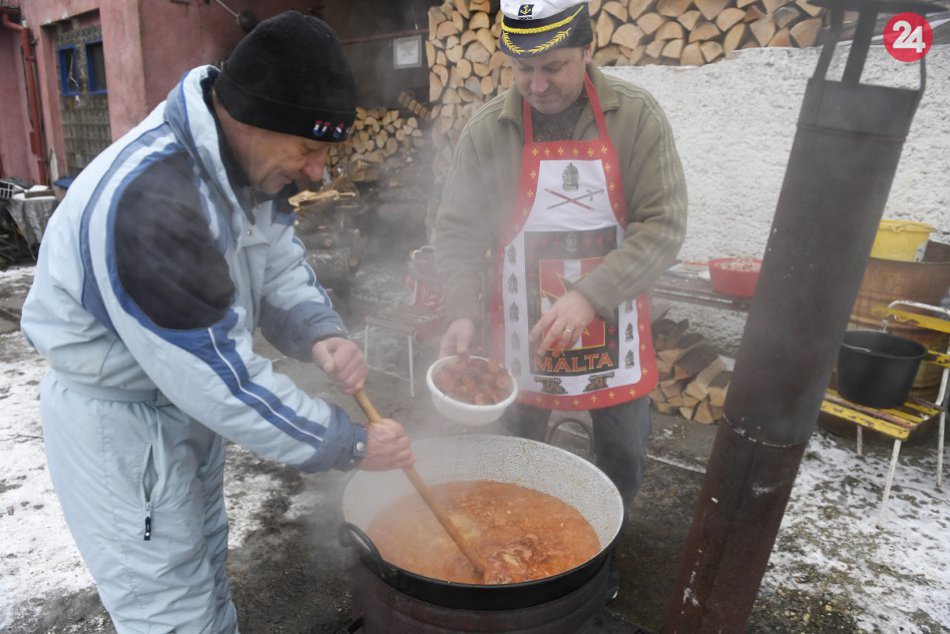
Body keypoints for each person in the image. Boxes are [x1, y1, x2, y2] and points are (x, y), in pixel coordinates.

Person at [20, 11, 413, 632]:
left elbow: (278, 263)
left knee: (202, 569)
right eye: (309, 149)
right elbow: (221, 379)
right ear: (251, 120)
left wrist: (321, 332)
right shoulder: (154, 203)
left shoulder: (244, 168)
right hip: (124, 432)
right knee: (168, 611)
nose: (318, 172)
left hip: (176, 411)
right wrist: (351, 442)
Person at [432, 0, 687, 600]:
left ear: (589, 51)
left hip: (612, 333)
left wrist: (589, 296)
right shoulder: (487, 129)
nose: (537, 86)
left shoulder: (636, 117)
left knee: (621, 461)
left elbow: (665, 225)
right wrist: (463, 308)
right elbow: (459, 231)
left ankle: (600, 560)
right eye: (522, 70)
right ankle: (515, 563)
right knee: (514, 459)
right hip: (519, 335)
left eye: (554, 68)